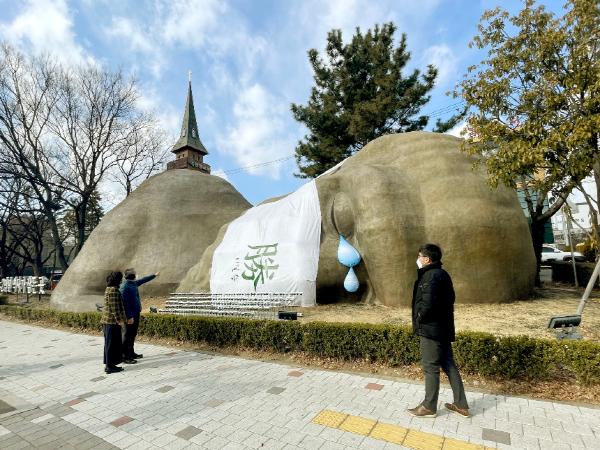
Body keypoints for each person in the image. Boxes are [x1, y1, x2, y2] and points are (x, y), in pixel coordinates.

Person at [408, 243, 469, 418]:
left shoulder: (430, 276)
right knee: (449, 365)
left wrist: (419, 318)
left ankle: (429, 407)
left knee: (430, 367)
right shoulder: (442, 274)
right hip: (442, 329)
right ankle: (461, 405)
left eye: (420, 256)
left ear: (427, 259)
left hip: (431, 331)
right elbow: (450, 299)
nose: (418, 259)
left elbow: (427, 304)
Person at [120, 268, 159, 361]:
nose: (136, 275)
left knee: (133, 334)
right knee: (127, 335)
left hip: (136, 313)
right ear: (132, 276)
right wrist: (129, 317)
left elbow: (143, 280)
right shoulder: (125, 287)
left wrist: (154, 275)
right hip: (129, 315)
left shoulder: (133, 283)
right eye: (135, 274)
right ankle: (124, 356)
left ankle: (131, 352)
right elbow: (125, 304)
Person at [101, 271, 127, 374]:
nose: (122, 280)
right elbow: (114, 308)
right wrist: (119, 320)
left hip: (109, 322)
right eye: (121, 278)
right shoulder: (113, 290)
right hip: (111, 322)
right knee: (111, 344)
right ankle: (109, 367)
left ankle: (110, 364)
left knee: (110, 344)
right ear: (118, 279)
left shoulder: (109, 288)